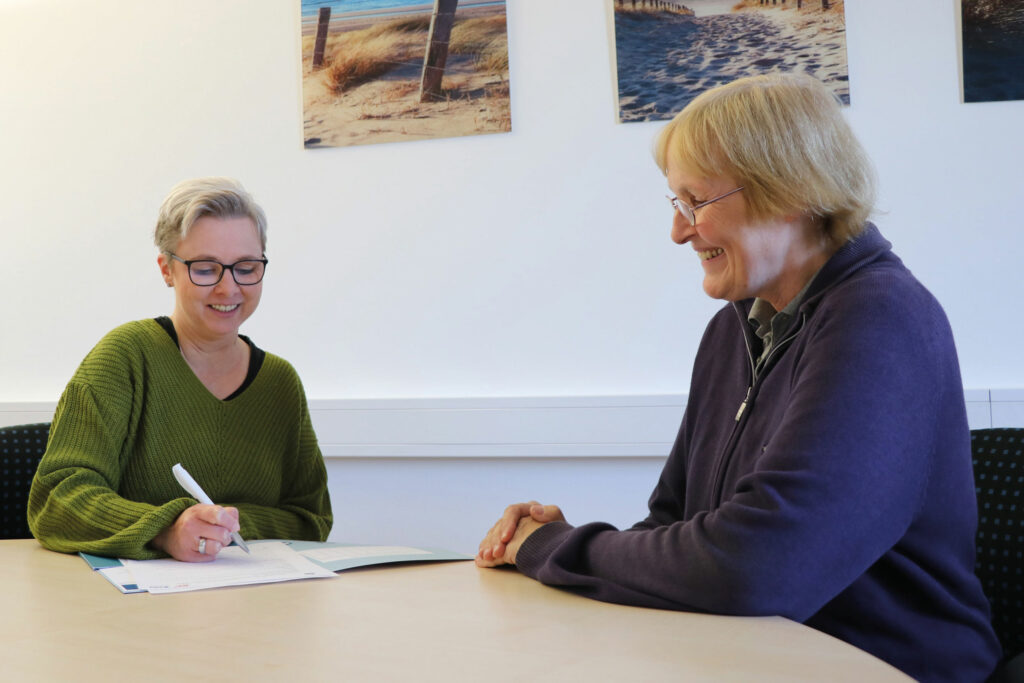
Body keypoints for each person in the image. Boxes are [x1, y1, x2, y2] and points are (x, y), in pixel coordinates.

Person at [475, 74, 1001, 682]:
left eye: (696, 202)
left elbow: (761, 566)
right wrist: (562, 549)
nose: (679, 231)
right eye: (676, 204)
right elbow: (671, 525)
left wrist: (549, 547)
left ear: (790, 191)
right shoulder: (733, 329)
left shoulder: (880, 317)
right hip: (750, 661)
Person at [28, 177, 332, 562]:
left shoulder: (280, 383)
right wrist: (166, 529)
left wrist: (220, 526)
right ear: (167, 270)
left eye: (246, 267)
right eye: (205, 269)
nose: (228, 288)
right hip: (129, 595)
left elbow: (311, 520)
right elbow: (56, 500)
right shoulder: (123, 358)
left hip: (257, 591)